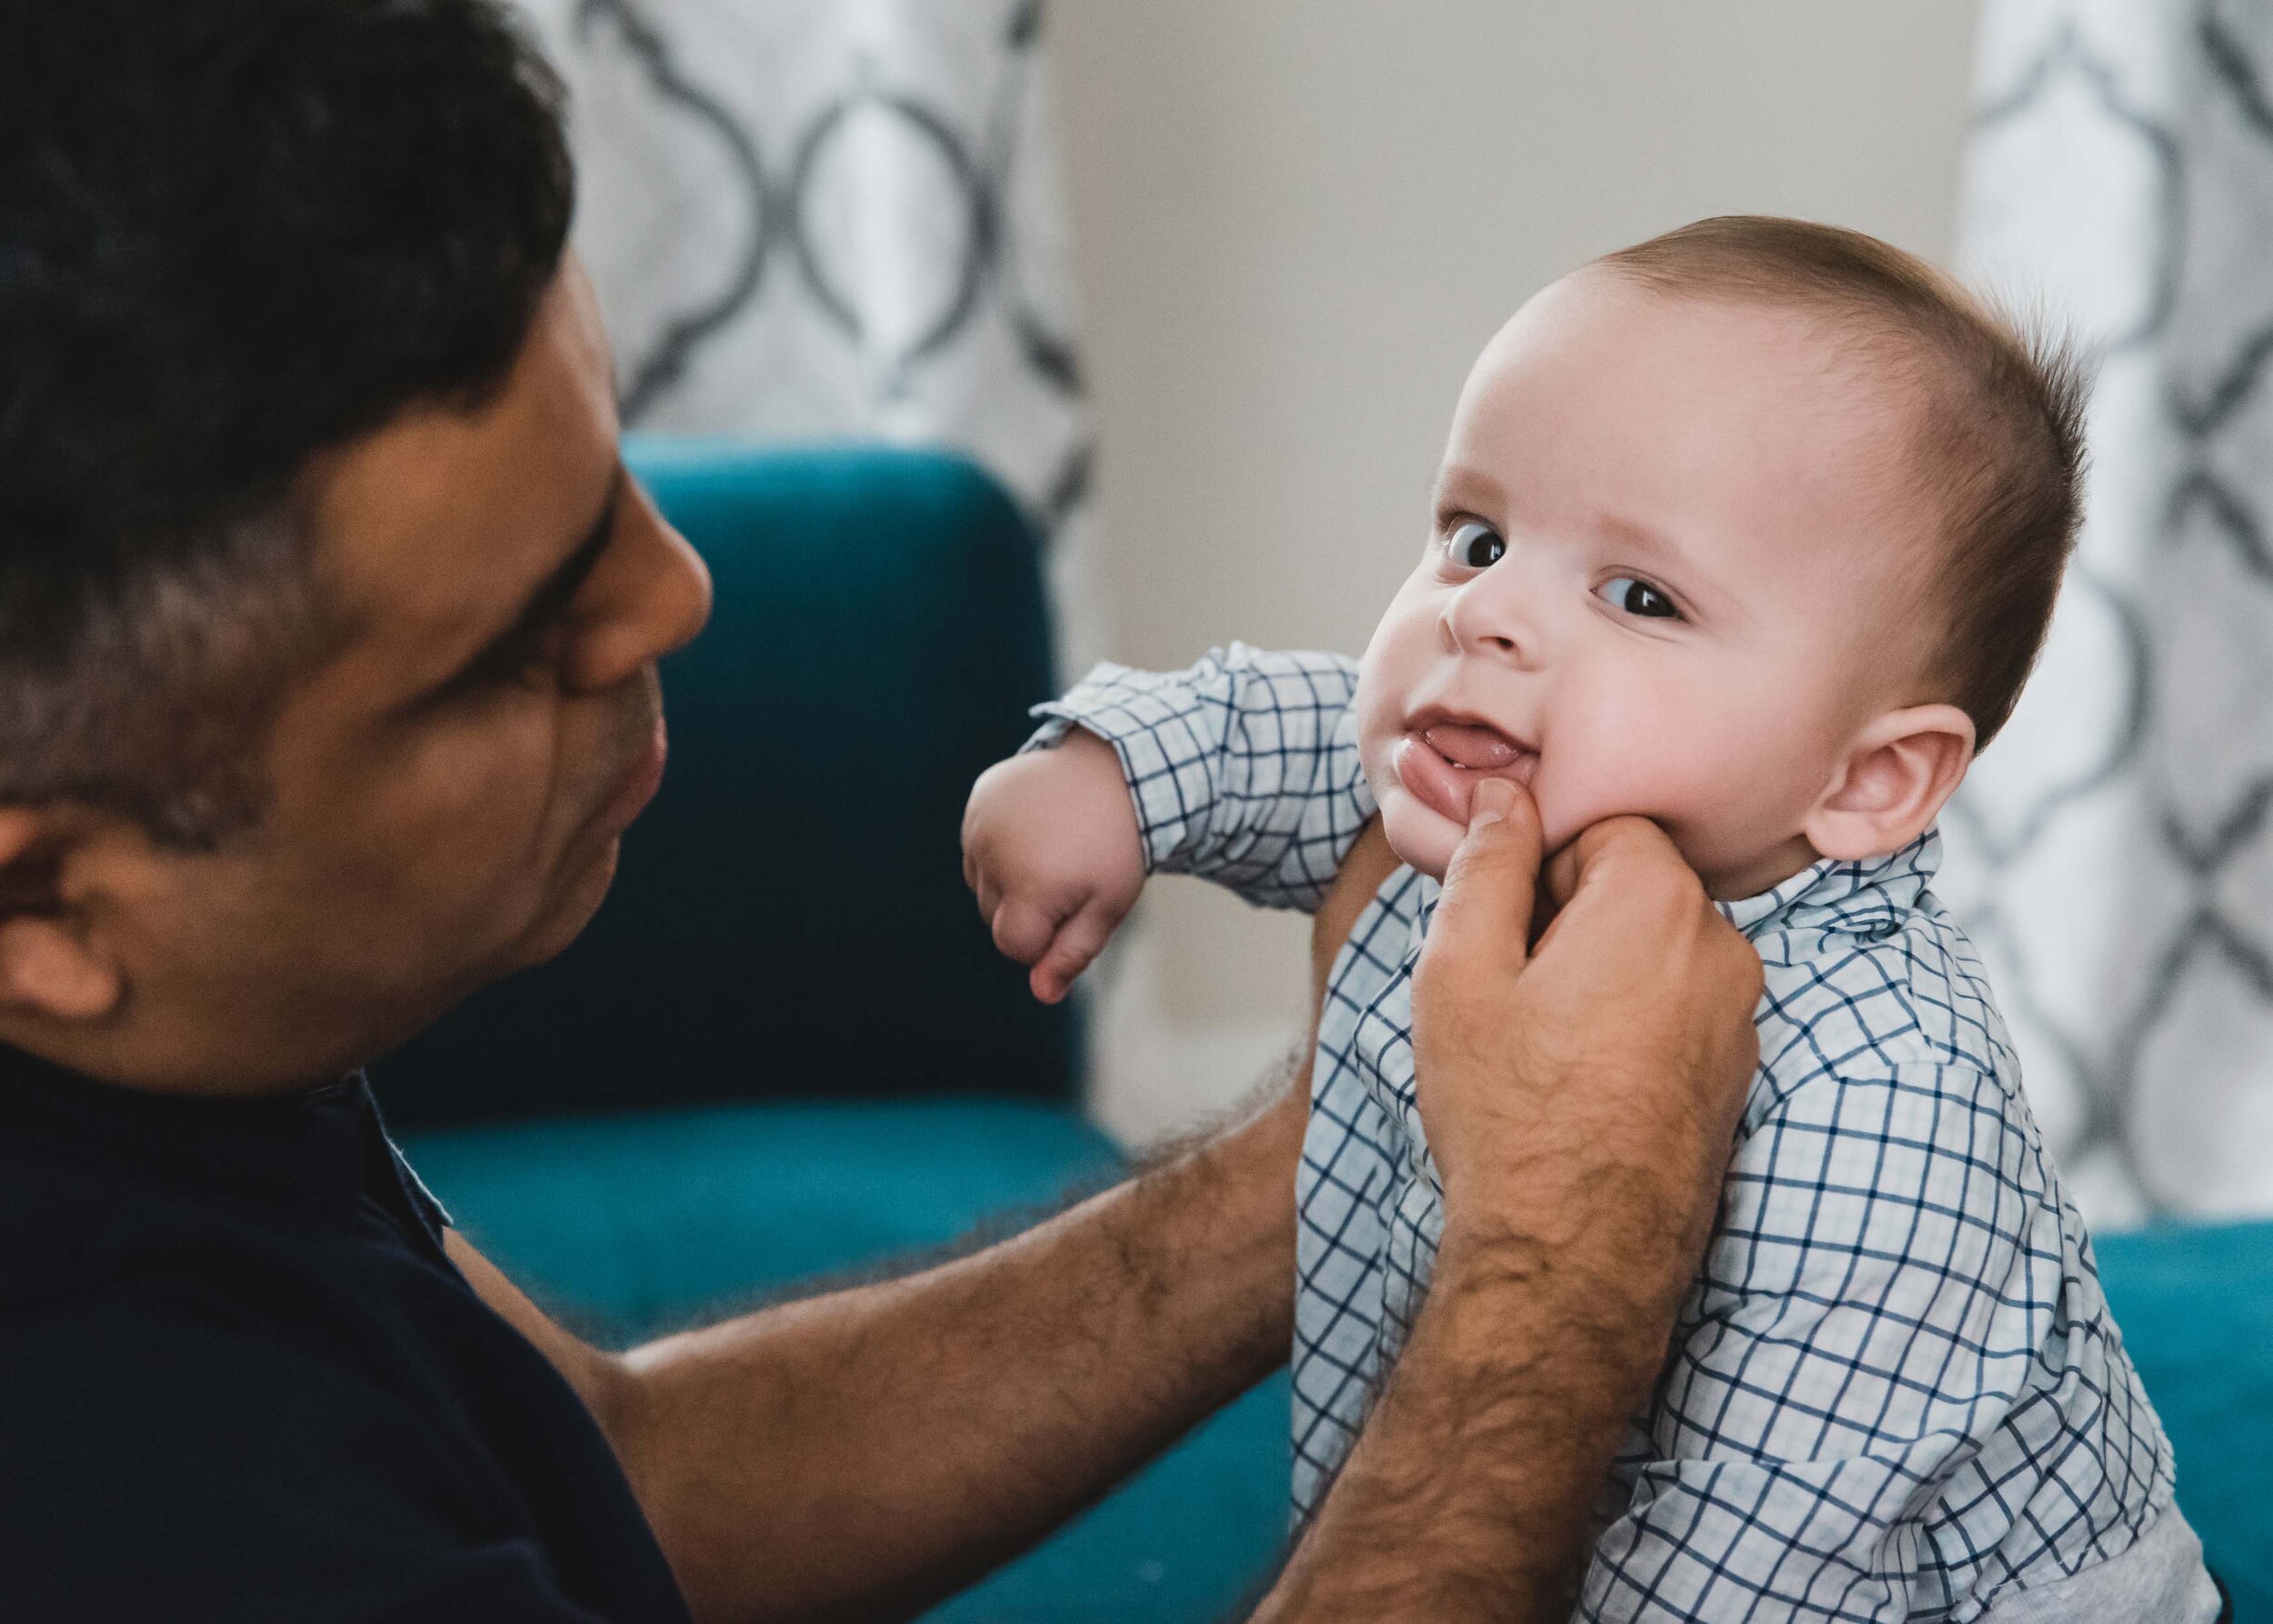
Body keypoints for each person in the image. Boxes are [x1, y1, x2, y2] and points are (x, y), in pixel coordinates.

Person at [0, 3, 1767, 1619]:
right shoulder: (123, 1488)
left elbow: (617, 1489)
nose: (675, 592)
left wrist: (1352, 1132)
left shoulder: (170, 1033)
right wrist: (1549, 1269)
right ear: (54, 913)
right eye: (513, 644)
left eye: (604, 469)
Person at [963, 220, 2229, 1619]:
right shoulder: (1493, 772)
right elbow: (1308, 723)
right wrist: (1115, 771)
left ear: (1868, 780)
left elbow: (1746, 1568)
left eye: (1640, 595)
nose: (1487, 615)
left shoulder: (1887, 1113)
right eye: (1478, 535)